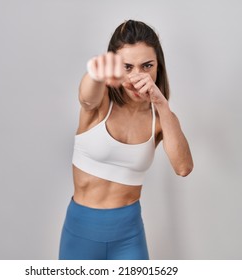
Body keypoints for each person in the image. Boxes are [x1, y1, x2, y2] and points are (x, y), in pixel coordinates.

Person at [59, 20, 193, 260]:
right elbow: (86, 98)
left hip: (129, 236)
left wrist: (162, 103)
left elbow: (183, 168)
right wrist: (96, 74)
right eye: (127, 67)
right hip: (81, 233)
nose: (137, 76)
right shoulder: (101, 103)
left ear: (158, 67)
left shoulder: (161, 118)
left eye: (147, 66)